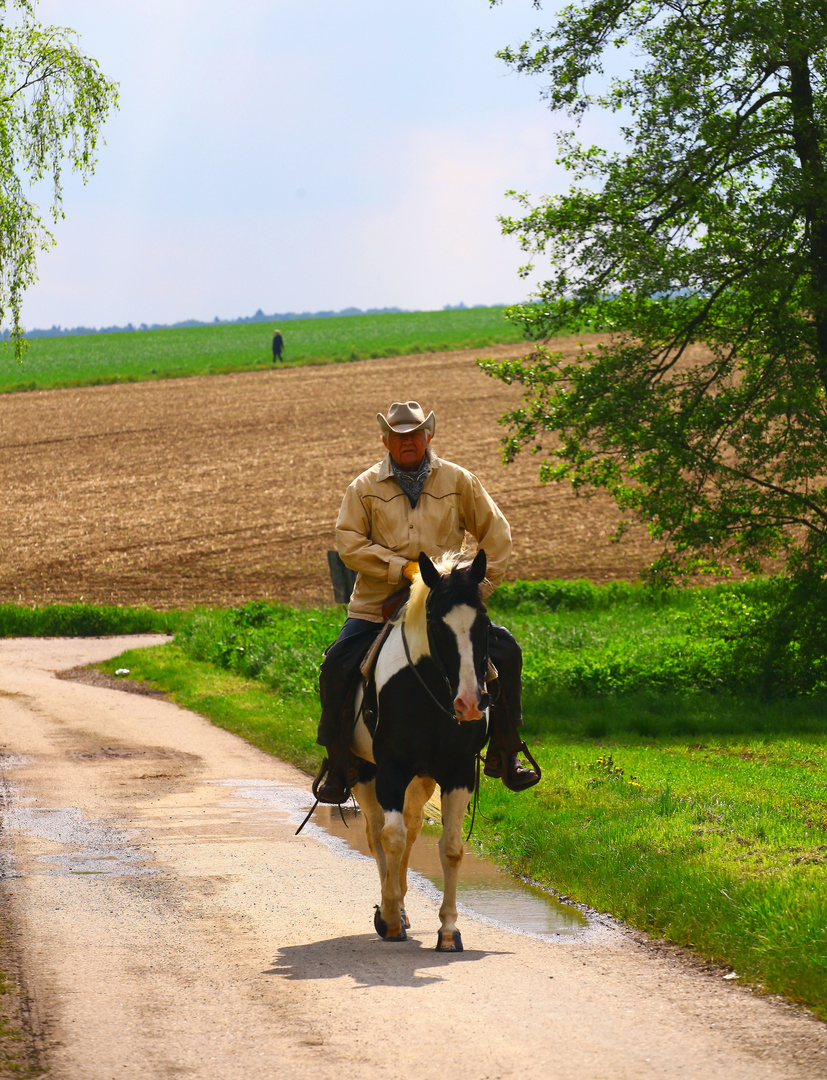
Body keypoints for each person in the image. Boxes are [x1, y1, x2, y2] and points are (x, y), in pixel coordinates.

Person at [314, 399, 540, 804]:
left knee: (506, 653)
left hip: (445, 606)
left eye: (415, 434)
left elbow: (497, 532)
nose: (408, 442)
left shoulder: (458, 480)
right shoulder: (363, 488)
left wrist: (473, 591)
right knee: (336, 665)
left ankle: (506, 750)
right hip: (377, 605)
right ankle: (338, 762)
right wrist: (400, 568)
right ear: (385, 440)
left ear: (428, 436)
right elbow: (348, 543)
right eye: (399, 436)